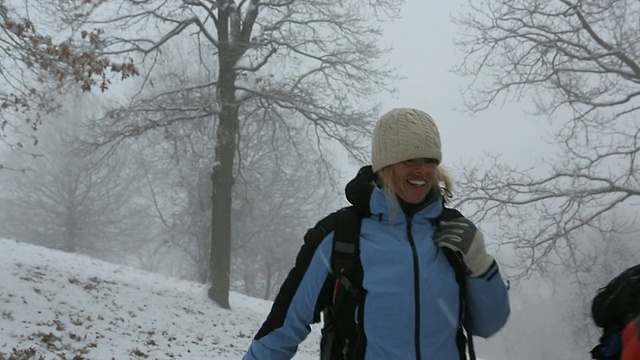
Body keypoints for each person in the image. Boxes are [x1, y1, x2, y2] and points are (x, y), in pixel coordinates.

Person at [243, 108, 510, 359]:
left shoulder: (453, 233)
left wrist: (480, 264)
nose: (422, 170)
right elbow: (283, 328)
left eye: (430, 160)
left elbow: (489, 324)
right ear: (385, 165)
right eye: (409, 159)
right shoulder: (341, 236)